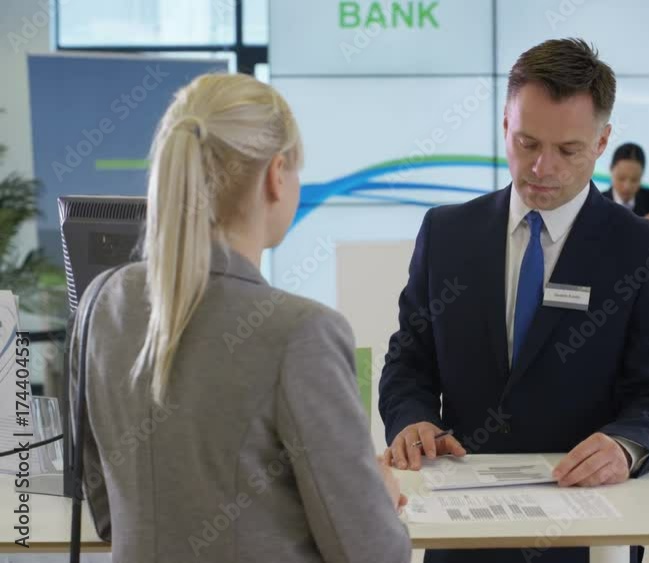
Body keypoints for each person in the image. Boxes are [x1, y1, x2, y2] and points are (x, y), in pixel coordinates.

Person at [68, 73, 411, 563]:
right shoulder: (300, 333)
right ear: (277, 174)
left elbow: (107, 514)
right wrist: (374, 491)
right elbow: (371, 553)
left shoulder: (101, 302)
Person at [378, 38, 649, 563]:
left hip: (587, 526)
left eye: (568, 150)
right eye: (527, 143)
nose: (542, 167)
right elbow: (409, 360)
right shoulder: (447, 233)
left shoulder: (647, 252)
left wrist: (624, 446)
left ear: (601, 141)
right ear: (505, 125)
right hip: (462, 529)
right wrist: (409, 419)